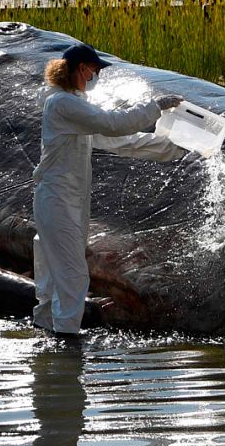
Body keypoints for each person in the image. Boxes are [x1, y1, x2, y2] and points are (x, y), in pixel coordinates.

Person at [33, 42, 185, 336]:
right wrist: (156, 107)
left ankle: (47, 336)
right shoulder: (63, 104)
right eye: (94, 70)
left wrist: (171, 147)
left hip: (68, 201)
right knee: (73, 274)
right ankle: (66, 345)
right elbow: (112, 124)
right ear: (81, 69)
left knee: (55, 277)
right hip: (57, 200)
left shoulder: (75, 108)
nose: (95, 76)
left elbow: (117, 141)